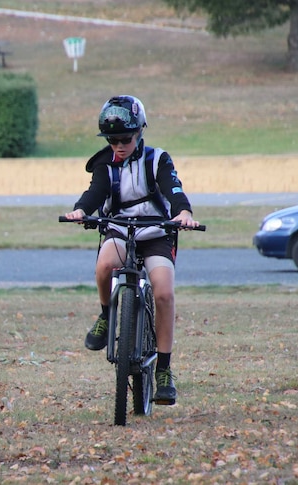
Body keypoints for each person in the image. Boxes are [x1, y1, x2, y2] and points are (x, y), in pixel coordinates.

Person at [64, 95, 200, 406]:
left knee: (164, 292)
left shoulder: (157, 159)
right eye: (112, 140)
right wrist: (80, 211)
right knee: (104, 266)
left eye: (125, 138)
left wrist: (183, 213)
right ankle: (104, 314)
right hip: (120, 228)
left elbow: (173, 188)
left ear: (140, 132)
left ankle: (164, 371)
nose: (119, 145)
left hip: (156, 233)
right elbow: (94, 193)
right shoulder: (104, 164)